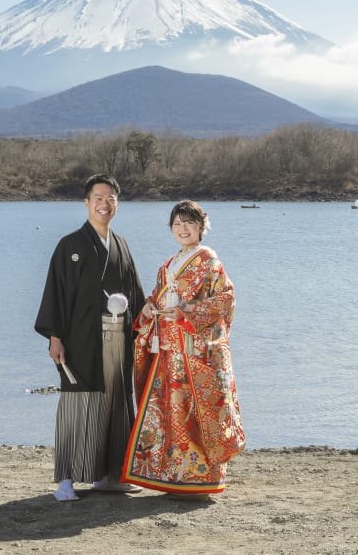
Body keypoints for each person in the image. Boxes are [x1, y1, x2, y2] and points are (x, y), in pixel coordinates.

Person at [121, 200, 245, 499]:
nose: (183, 229)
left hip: (194, 351)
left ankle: (200, 478)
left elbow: (225, 299)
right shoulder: (170, 263)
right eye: (177, 224)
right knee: (168, 412)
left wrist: (187, 312)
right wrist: (150, 307)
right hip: (167, 349)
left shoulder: (209, 260)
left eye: (189, 223)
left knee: (195, 411)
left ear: (201, 227)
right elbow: (158, 295)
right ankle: (174, 476)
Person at [34, 174, 146, 501]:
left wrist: (147, 317)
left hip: (117, 341)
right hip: (82, 340)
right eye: (98, 197)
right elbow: (56, 293)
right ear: (86, 203)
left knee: (115, 405)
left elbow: (135, 295)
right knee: (77, 404)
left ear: (117, 204)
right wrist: (55, 337)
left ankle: (108, 476)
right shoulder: (70, 245)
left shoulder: (121, 245)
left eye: (111, 198)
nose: (104, 203)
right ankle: (66, 480)